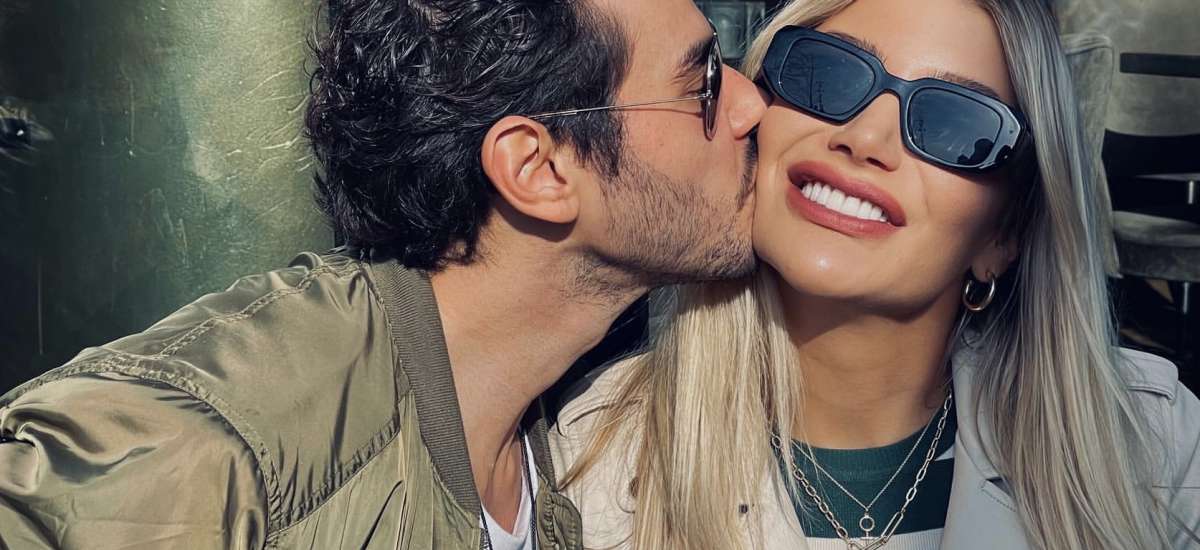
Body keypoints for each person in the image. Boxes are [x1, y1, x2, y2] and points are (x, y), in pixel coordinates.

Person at [0, 0, 767, 548]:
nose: (748, 105)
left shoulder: (541, 439)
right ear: (538, 170)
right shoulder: (210, 449)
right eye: (701, 84)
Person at [552, 0, 1200, 548]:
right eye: (829, 73)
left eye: (956, 125)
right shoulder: (595, 466)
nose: (864, 138)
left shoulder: (1156, 453)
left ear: (1003, 236)